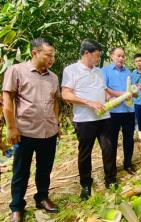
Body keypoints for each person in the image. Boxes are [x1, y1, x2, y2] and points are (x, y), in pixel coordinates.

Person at [2, 38, 60, 222]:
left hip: (48, 131)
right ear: (35, 53)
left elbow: (55, 102)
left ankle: (42, 197)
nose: (52, 59)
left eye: (53, 56)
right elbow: (7, 101)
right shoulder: (17, 71)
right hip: (25, 132)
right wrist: (11, 128)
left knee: (44, 169)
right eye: (48, 55)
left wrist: (56, 124)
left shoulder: (53, 77)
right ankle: (17, 207)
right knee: (21, 171)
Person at [61, 39, 116, 200]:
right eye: (97, 56)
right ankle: (86, 185)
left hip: (104, 117)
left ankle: (111, 180)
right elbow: (66, 94)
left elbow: (104, 92)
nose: (98, 59)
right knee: (85, 153)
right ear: (86, 53)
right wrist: (88, 102)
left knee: (109, 148)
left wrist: (111, 100)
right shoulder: (71, 70)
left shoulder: (99, 72)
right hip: (85, 120)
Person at [101, 48, 136, 176]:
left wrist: (134, 92)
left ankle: (128, 164)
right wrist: (123, 94)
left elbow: (132, 93)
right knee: (111, 141)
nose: (121, 58)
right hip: (113, 112)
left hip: (128, 111)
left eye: (123, 56)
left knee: (129, 139)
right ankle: (112, 169)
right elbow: (105, 89)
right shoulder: (105, 71)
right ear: (112, 57)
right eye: (118, 56)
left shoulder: (129, 72)